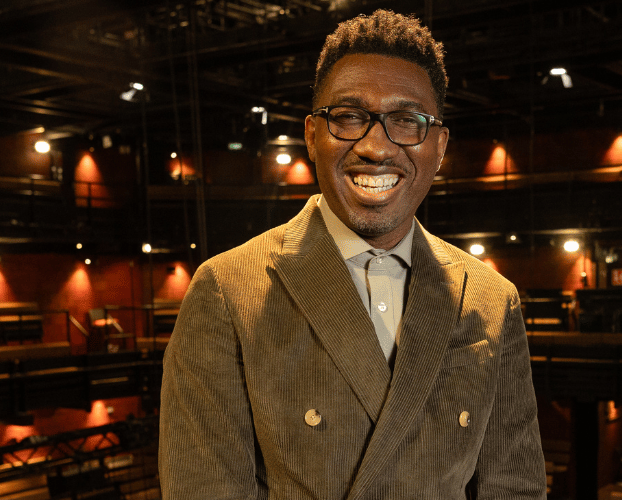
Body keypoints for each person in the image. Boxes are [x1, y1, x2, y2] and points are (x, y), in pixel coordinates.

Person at [159, 10, 545, 499]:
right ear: (311, 136)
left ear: (440, 146)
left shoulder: (493, 298)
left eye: (407, 121)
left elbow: (516, 487)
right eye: (348, 117)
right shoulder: (226, 290)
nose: (376, 146)